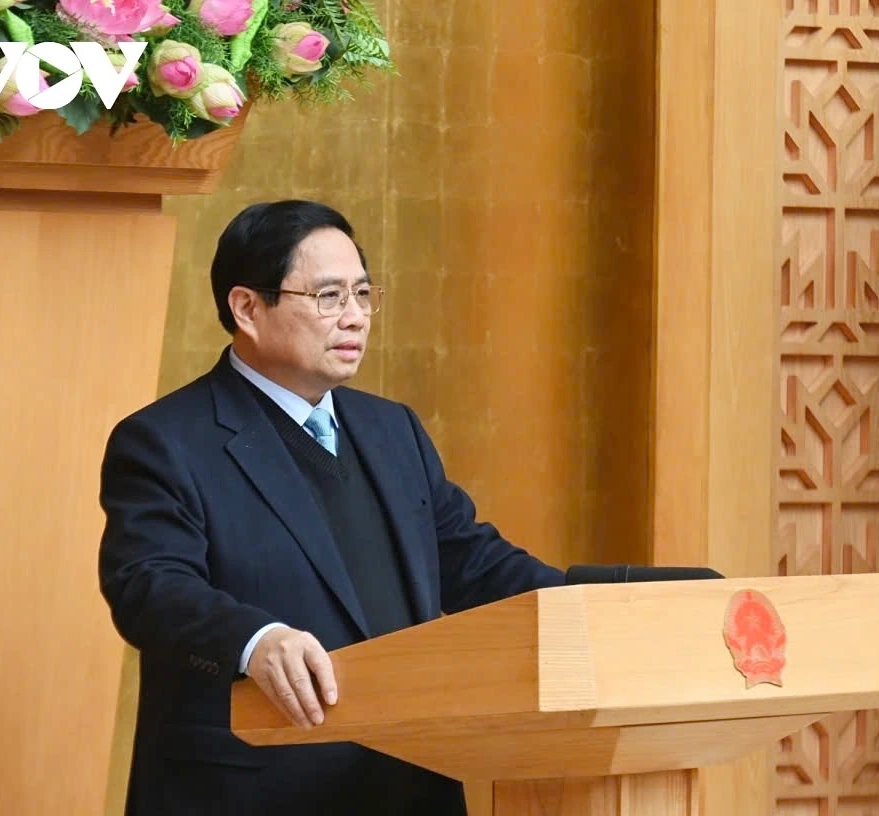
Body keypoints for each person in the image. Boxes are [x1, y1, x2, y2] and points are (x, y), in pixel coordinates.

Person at [97, 199, 565, 816]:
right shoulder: (165, 440)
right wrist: (255, 640)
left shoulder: (393, 430)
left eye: (363, 294)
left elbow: (480, 568)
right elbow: (149, 585)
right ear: (246, 309)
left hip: (407, 783)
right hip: (246, 789)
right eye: (328, 297)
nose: (355, 318)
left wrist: (606, 602)